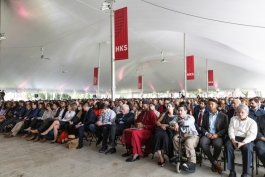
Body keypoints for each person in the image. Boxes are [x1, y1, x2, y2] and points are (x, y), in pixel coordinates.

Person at [226, 104, 257, 177]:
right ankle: (232, 171)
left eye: (242, 112)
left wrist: (242, 143)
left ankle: (245, 173)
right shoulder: (233, 119)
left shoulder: (252, 122)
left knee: (248, 149)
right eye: (238, 112)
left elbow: (252, 135)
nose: (240, 114)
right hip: (234, 137)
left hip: (246, 139)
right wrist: (233, 140)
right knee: (228, 146)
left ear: (247, 113)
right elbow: (230, 130)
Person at [200, 98, 228, 174]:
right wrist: (206, 133)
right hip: (208, 135)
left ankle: (213, 163)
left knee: (217, 144)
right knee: (202, 143)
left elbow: (225, 129)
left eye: (212, 104)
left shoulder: (223, 116)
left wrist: (217, 134)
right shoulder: (205, 115)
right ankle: (215, 163)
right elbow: (203, 127)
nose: (210, 105)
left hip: (217, 135)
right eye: (209, 104)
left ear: (216, 105)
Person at [170, 103, 199, 173]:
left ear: (186, 111)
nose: (179, 112)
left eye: (181, 110)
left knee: (188, 142)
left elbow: (185, 123)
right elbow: (171, 122)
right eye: (178, 110)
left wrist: (177, 123)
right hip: (182, 135)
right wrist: (174, 123)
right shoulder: (177, 117)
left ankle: (192, 163)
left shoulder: (191, 118)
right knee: (175, 138)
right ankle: (179, 155)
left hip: (193, 135)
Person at [152, 102, 177, 166]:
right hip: (162, 129)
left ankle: (162, 157)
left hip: (169, 131)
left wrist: (167, 126)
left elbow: (174, 127)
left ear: (173, 107)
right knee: (157, 136)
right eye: (167, 106)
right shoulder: (164, 114)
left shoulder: (176, 117)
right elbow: (157, 122)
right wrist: (162, 125)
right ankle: (161, 157)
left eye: (169, 106)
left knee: (165, 138)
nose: (167, 108)